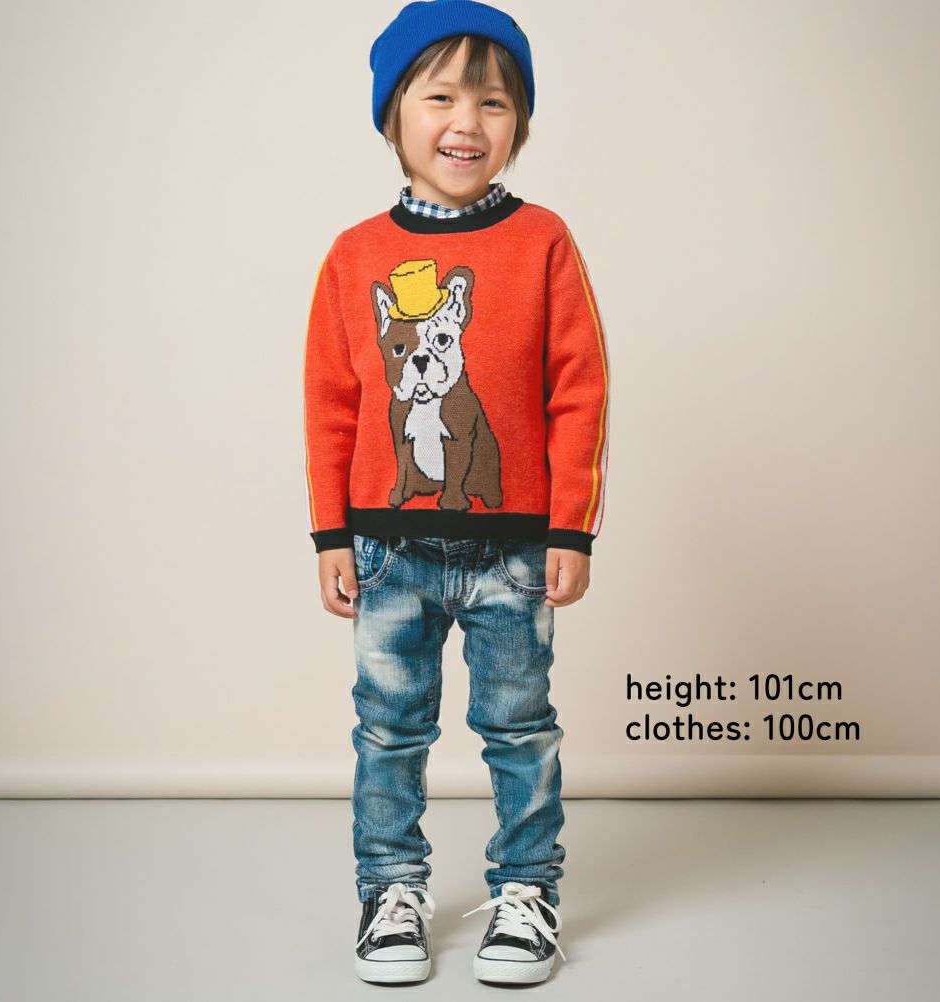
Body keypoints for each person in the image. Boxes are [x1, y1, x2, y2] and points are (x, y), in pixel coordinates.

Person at [302, 0, 610, 985]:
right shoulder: (354, 255)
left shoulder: (545, 241)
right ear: (393, 117)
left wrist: (572, 530)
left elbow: (580, 389)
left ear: (520, 123)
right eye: (439, 98)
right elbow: (331, 403)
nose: (466, 122)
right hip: (387, 548)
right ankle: (390, 890)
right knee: (388, 730)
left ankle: (527, 890)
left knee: (520, 728)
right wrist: (330, 534)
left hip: (514, 547)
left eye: (495, 101)